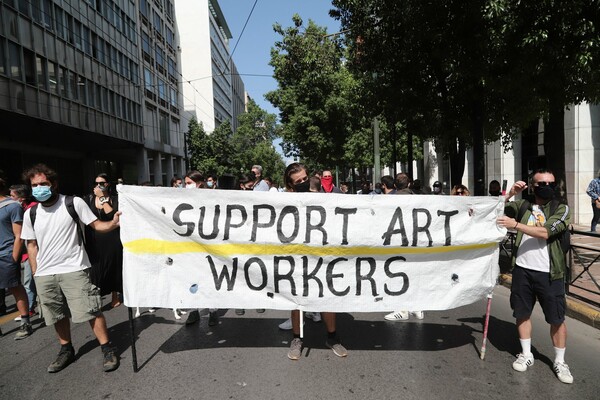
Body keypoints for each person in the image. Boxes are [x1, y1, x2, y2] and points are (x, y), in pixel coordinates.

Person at [20, 164, 120, 373]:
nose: (39, 188)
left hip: (75, 269)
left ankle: (107, 348)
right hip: (45, 274)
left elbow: (97, 225)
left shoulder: (73, 203)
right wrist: (36, 272)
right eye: (34, 185)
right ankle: (66, 349)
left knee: (91, 310)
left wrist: (113, 224)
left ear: (54, 184)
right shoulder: (31, 213)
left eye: (43, 184)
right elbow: (31, 245)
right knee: (56, 314)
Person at [496, 168, 573, 384]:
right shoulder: (523, 205)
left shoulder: (561, 208)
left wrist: (516, 225)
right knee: (522, 313)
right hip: (522, 270)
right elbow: (494, 211)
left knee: (556, 319)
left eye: (551, 183)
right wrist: (510, 194)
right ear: (532, 186)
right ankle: (526, 353)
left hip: (550, 273)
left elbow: (546, 232)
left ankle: (560, 361)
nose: (547, 187)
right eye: (541, 183)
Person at [283, 162, 347, 360]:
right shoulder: (283, 201)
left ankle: (332, 337)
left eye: (305, 178)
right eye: (298, 181)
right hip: (296, 256)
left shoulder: (321, 198)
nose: (303, 182)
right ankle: (297, 339)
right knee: (296, 299)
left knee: (327, 295)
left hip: (321, 255)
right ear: (290, 184)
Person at [384, 172, 423, 321]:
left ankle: (402, 309)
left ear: (395, 185)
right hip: (414, 242)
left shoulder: (389, 201)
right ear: (409, 184)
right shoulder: (419, 200)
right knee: (413, 273)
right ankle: (416, 307)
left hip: (397, 242)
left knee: (399, 273)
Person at [183, 170, 219, 326]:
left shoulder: (210, 198)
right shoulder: (182, 199)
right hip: (190, 246)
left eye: (189, 183)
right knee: (191, 279)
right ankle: (193, 311)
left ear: (198, 183)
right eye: (185, 183)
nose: (186, 186)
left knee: (210, 278)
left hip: (208, 245)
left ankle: (213, 311)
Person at [0, 177, 33, 340]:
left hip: (6, 255)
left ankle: (25, 322)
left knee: (15, 288)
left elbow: (19, 235)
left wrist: (13, 259)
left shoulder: (12, 206)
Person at [84, 174, 123, 308]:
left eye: (101, 183)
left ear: (107, 184)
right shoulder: (88, 200)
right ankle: (97, 296)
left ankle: (115, 295)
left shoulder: (115, 199)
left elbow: (112, 215)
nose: (98, 186)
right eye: (96, 183)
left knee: (113, 266)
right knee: (95, 269)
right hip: (94, 239)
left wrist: (102, 198)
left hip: (112, 238)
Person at [9, 184, 38, 317]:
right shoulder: (20, 209)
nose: (10, 198)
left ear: (21, 198)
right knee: (30, 281)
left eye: (12, 196)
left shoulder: (33, 209)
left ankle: (29, 309)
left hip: (35, 251)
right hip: (27, 253)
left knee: (29, 282)